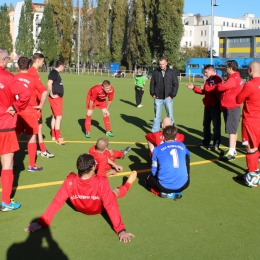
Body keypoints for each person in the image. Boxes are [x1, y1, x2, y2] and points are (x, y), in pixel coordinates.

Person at [24, 153, 136, 243]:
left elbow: (57, 202)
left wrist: (41, 222)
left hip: (79, 206)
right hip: (98, 209)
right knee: (113, 193)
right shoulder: (101, 181)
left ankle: (118, 180)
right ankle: (127, 185)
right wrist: (121, 229)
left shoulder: (70, 180)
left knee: (71, 178)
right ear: (93, 167)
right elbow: (110, 206)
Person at [0, 47, 31, 211]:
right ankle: (5, 202)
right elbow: (26, 94)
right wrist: (15, 106)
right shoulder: (9, 78)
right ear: (4, 60)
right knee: (7, 164)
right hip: (5, 127)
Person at [15, 57, 48, 172]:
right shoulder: (33, 78)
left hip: (17, 112)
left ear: (18, 67)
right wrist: (41, 105)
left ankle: (11, 161)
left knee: (16, 137)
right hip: (30, 111)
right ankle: (31, 165)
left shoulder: (13, 78)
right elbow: (44, 91)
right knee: (31, 138)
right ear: (29, 66)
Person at [146, 126, 190, 199]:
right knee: (186, 156)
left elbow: (154, 171)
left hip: (164, 186)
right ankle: (178, 187)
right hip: (184, 185)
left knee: (146, 180)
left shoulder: (157, 149)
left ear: (163, 137)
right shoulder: (182, 145)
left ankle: (162, 193)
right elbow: (187, 157)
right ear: (175, 137)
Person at [187, 65, 222, 151]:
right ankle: (206, 141)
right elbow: (204, 91)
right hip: (207, 105)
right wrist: (194, 88)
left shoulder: (218, 79)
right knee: (206, 125)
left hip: (215, 105)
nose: (205, 74)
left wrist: (206, 87)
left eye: (206, 72)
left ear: (211, 71)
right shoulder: (208, 80)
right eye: (204, 72)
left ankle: (216, 144)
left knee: (216, 126)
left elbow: (215, 90)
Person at [236, 61, 260, 182]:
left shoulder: (250, 84)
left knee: (250, 148)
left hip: (251, 121)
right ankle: (254, 171)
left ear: (251, 70)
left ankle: (252, 175)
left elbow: (238, 99)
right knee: (257, 147)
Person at [28, 53, 54, 157]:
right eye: (42, 61)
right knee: (38, 127)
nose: (43, 63)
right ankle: (42, 150)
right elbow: (35, 89)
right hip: (35, 104)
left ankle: (39, 148)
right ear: (38, 60)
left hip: (35, 102)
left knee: (38, 126)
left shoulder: (33, 71)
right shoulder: (33, 72)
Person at [217, 60, 243, 161]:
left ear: (230, 68)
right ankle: (233, 149)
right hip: (232, 106)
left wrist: (220, 84)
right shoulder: (236, 77)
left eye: (226, 67)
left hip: (232, 106)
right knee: (233, 129)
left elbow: (222, 87)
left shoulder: (233, 78)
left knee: (231, 130)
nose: (225, 68)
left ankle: (231, 151)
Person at [150, 57, 179, 133]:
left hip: (168, 97)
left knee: (170, 116)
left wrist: (172, 95)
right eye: (160, 64)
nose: (161, 66)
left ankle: (171, 132)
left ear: (166, 63)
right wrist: (152, 93)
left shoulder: (172, 72)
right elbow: (152, 83)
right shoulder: (155, 72)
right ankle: (155, 132)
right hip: (158, 98)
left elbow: (175, 84)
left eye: (162, 64)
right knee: (157, 117)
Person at [47, 60, 65, 145]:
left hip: (58, 98)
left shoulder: (56, 73)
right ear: (60, 66)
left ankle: (54, 135)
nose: (64, 68)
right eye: (63, 66)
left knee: (55, 116)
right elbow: (49, 83)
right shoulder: (54, 72)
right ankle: (58, 137)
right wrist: (52, 94)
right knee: (59, 117)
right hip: (55, 98)